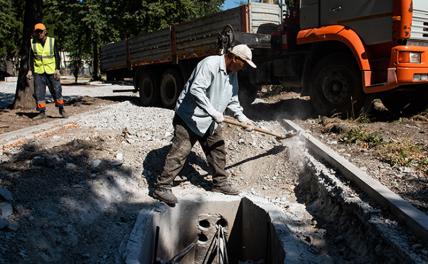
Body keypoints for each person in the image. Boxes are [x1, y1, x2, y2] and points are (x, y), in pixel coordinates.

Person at [152, 44, 257, 206]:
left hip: (210, 120)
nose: (243, 68)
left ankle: (220, 184)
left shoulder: (232, 73)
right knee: (181, 151)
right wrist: (213, 111)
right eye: (243, 63)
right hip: (189, 117)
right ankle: (162, 187)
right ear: (235, 58)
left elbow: (232, 97)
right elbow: (196, 90)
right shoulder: (210, 64)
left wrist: (241, 116)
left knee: (217, 149)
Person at [26, 23, 66, 119]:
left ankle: (61, 109)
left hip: (51, 71)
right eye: (37, 32)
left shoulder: (52, 41)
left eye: (41, 31)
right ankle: (41, 113)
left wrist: (57, 69)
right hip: (39, 71)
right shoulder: (33, 42)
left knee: (57, 90)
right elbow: (30, 58)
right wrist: (30, 70)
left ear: (45, 32)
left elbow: (57, 56)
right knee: (39, 92)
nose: (39, 33)